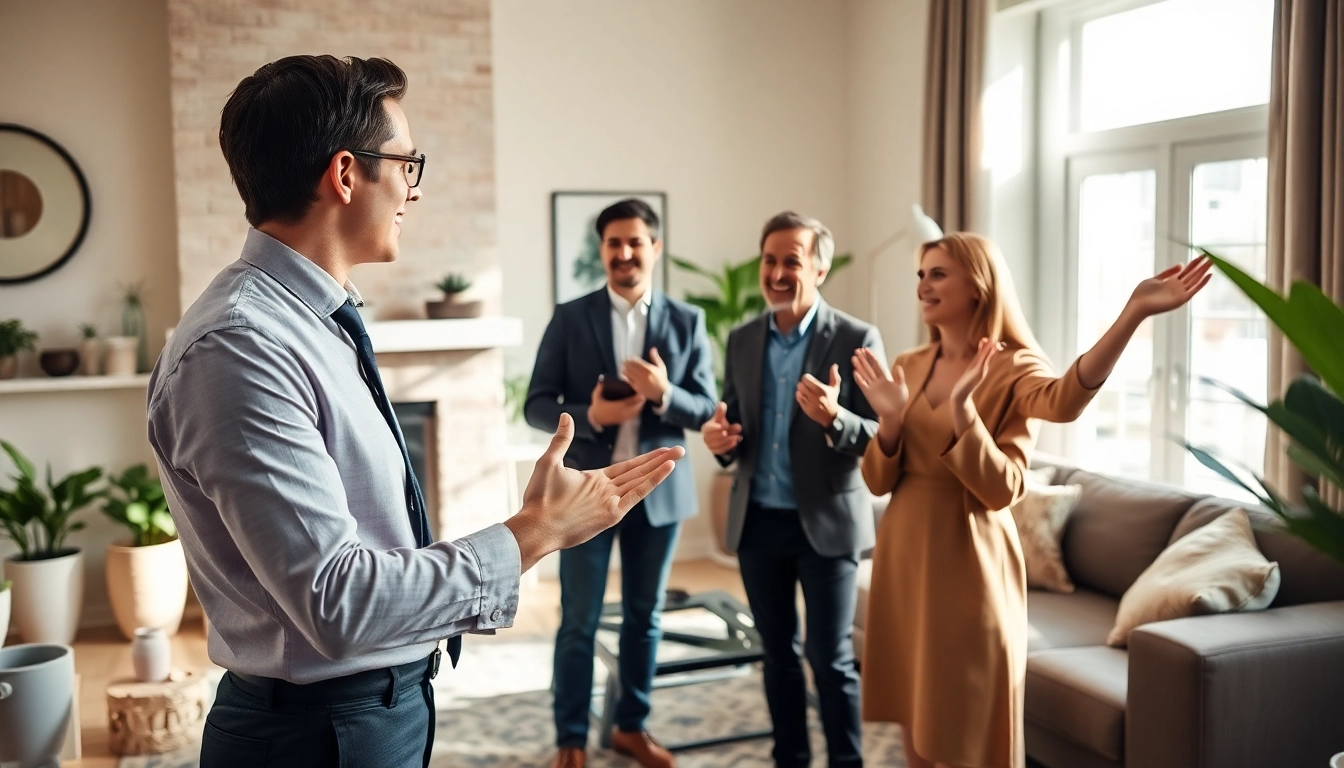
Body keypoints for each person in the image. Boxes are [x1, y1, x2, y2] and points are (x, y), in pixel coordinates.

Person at [146, 55, 681, 768]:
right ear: (344, 174)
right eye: (407, 163)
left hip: (369, 711)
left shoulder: (314, 319)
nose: (413, 190)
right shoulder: (239, 349)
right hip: (317, 736)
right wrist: (534, 533)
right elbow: (336, 601)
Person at [852, 232, 1212, 768]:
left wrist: (1132, 313)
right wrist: (889, 421)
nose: (924, 285)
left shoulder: (1013, 366)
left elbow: (1029, 451)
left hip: (969, 562)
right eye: (921, 274)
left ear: (978, 286)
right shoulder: (907, 362)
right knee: (914, 709)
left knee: (970, 723)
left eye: (938, 273)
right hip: (903, 557)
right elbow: (879, 482)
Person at [525, 198, 717, 768]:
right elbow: (537, 404)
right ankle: (571, 738)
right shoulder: (570, 316)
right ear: (602, 250)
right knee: (579, 618)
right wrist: (592, 418)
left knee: (645, 614)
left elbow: (706, 407)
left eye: (636, 242)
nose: (625, 253)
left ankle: (631, 726)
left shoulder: (688, 322)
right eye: (614, 243)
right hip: (584, 493)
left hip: (658, 493)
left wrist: (664, 393)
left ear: (654, 249)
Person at [701, 211, 885, 768]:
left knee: (830, 661)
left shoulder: (856, 338)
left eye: (792, 261)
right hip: (759, 523)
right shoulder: (743, 339)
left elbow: (883, 436)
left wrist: (835, 418)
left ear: (820, 269)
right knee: (777, 654)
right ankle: (791, 759)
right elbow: (735, 430)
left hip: (827, 525)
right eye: (770, 260)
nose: (778, 273)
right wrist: (721, 441)